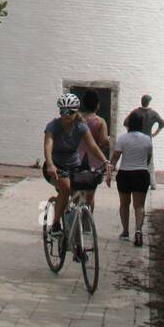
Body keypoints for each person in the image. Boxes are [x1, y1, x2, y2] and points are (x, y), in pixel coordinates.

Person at [43, 93, 111, 232]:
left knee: (80, 197)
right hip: (55, 167)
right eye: (63, 111)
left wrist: (105, 161)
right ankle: (56, 224)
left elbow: (92, 146)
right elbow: (48, 144)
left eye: (70, 112)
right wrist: (50, 163)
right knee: (66, 187)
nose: (66, 115)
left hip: (74, 167)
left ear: (76, 112)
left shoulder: (81, 126)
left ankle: (75, 237)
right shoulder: (53, 126)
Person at [111, 110, 152, 246]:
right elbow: (148, 157)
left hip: (125, 174)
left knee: (124, 204)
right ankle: (139, 230)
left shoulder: (123, 138)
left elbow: (116, 157)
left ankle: (125, 231)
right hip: (141, 173)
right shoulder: (147, 139)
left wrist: (110, 169)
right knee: (139, 205)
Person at [77, 89, 110, 212]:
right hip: (93, 162)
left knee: (76, 192)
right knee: (90, 195)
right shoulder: (100, 121)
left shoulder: (77, 119)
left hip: (76, 160)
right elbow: (103, 141)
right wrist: (109, 141)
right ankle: (88, 221)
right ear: (97, 105)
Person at [124, 93, 164, 191]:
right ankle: (152, 183)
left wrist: (131, 131)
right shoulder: (153, 113)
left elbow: (125, 123)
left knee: (135, 161)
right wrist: (155, 133)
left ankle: (134, 182)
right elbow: (162, 124)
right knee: (150, 162)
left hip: (136, 139)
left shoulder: (135, 112)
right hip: (148, 139)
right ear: (149, 102)